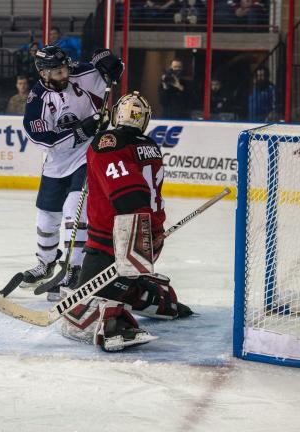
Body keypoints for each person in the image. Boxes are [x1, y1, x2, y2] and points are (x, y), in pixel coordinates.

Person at [60, 92, 193, 351]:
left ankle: (116, 324)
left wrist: (135, 241)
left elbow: (129, 194)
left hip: (117, 242)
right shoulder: (149, 145)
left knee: (79, 316)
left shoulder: (109, 142)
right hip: (150, 238)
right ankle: (155, 297)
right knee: (117, 282)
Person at [20, 45, 123, 300]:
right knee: (45, 219)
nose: (63, 74)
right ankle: (46, 263)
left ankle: (74, 269)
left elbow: (112, 69)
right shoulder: (37, 100)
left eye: (64, 68)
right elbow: (45, 140)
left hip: (87, 156)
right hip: (56, 162)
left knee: (74, 210)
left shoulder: (79, 74)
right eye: (56, 72)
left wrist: (108, 59)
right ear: (43, 74)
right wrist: (80, 130)